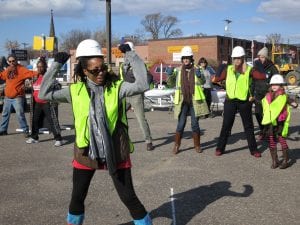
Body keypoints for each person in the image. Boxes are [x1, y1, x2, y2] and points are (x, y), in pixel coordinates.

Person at [38, 39, 152, 225]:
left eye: (103, 68)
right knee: (77, 198)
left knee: (128, 198)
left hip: (116, 150)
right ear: (84, 71)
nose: (100, 73)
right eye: (94, 70)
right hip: (85, 151)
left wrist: (131, 54)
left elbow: (142, 85)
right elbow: (43, 94)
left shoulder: (117, 87)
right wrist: (56, 65)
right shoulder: (74, 91)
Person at [212, 46, 266, 157]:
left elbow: (262, 76)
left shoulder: (249, 70)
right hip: (230, 100)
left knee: (248, 126)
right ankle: (220, 148)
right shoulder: (229, 69)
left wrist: (258, 63)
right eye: (235, 58)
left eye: (239, 58)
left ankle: (254, 150)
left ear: (243, 58)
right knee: (226, 125)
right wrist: (221, 66)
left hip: (244, 101)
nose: (237, 60)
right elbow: (216, 79)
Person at [170, 46, 209, 154]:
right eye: (184, 58)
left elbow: (202, 82)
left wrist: (200, 76)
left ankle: (197, 145)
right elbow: (171, 83)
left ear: (191, 58)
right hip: (182, 101)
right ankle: (177, 145)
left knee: (195, 124)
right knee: (181, 124)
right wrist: (169, 75)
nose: (186, 60)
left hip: (194, 101)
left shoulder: (197, 69)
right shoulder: (177, 70)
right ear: (182, 59)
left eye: (188, 57)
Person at [119, 41, 155, 151]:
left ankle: (148, 141)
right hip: (125, 94)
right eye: (124, 53)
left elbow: (149, 76)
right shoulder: (124, 65)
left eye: (126, 52)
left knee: (141, 119)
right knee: (118, 116)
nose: (125, 55)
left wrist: (141, 88)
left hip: (136, 95)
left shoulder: (138, 62)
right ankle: (120, 139)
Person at [25, 57, 66, 147]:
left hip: (47, 103)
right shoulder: (35, 78)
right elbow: (33, 89)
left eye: (42, 67)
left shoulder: (49, 77)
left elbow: (58, 86)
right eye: (38, 67)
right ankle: (34, 137)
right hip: (37, 103)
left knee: (52, 121)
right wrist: (28, 88)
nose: (40, 68)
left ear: (45, 67)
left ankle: (59, 139)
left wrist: (54, 96)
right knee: (34, 120)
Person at [261, 74, 298, 169]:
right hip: (271, 122)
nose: (274, 86)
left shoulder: (283, 96)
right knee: (271, 140)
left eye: (276, 84)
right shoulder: (267, 96)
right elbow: (264, 104)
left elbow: (290, 100)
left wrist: (294, 103)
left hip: (280, 122)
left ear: (281, 86)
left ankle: (285, 161)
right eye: (273, 84)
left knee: (281, 140)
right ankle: (275, 161)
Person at [0, 54, 37, 136]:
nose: (12, 63)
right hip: (7, 97)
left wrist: (41, 72)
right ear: (8, 62)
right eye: (10, 61)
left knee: (20, 114)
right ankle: (3, 130)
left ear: (16, 60)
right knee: (5, 114)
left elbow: (31, 73)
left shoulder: (21, 69)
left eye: (13, 61)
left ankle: (25, 130)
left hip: (17, 97)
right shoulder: (8, 70)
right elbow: (2, 76)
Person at [252, 47, 279, 140]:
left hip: (269, 96)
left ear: (266, 58)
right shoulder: (255, 68)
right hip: (258, 95)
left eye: (262, 57)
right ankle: (263, 130)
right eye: (259, 57)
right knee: (258, 113)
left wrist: (273, 91)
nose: (260, 59)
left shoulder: (272, 68)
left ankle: (270, 133)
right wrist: (252, 93)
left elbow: (277, 82)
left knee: (268, 115)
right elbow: (252, 81)